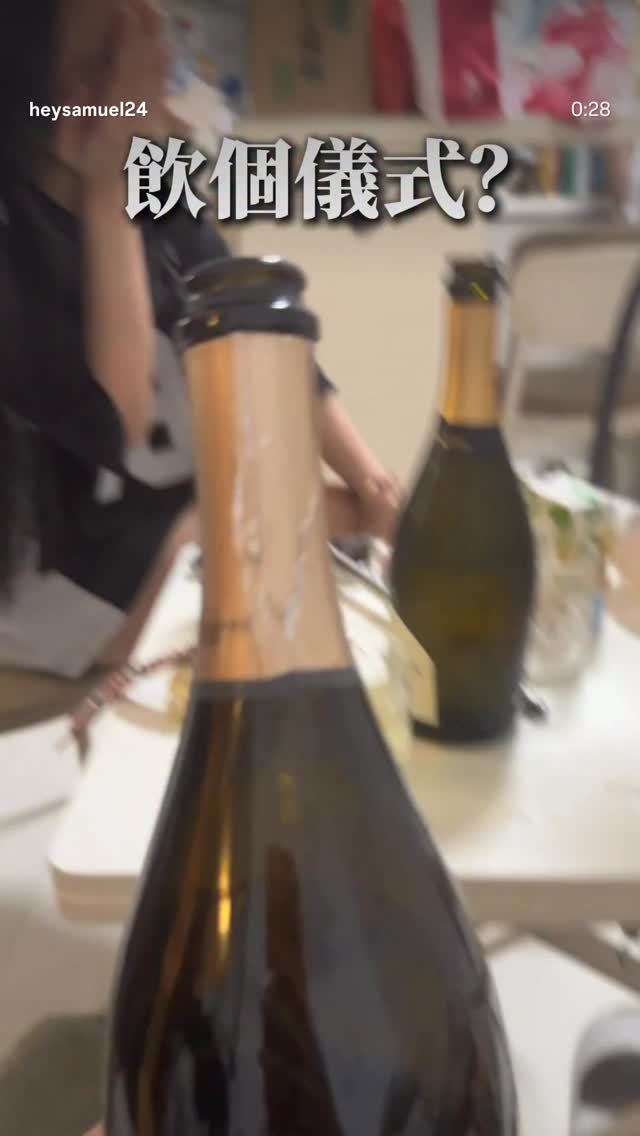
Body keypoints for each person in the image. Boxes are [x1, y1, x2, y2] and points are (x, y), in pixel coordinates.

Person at [0, 0, 401, 680]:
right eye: (115, 53)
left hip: (175, 523)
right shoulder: (24, 243)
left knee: (370, 517)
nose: (157, 58)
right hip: (62, 585)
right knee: (246, 538)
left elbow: (256, 326)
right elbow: (114, 422)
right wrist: (107, 191)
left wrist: (369, 478)